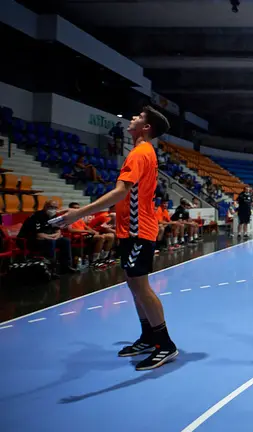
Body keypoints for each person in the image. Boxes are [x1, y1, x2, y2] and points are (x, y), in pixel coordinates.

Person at [50, 106, 178, 371]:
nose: (132, 118)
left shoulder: (140, 153)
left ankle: (165, 344)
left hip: (137, 230)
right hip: (130, 229)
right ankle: (149, 336)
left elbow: (121, 192)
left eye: (139, 117)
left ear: (146, 128)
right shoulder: (141, 152)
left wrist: (79, 213)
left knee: (141, 286)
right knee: (134, 285)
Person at [18, 199, 76, 274]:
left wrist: (55, 236)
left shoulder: (54, 216)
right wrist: (53, 237)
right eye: (51, 207)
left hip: (48, 239)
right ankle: (51, 269)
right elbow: (39, 235)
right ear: (45, 206)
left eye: (55, 207)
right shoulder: (36, 216)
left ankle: (65, 266)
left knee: (65, 241)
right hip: (31, 241)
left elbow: (58, 231)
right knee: (51, 242)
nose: (53, 209)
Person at [66, 202, 116, 268]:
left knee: (110, 237)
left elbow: (86, 227)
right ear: (70, 209)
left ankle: (104, 258)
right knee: (101, 238)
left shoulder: (79, 217)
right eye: (74, 208)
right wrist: (87, 231)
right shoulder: (68, 218)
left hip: (86, 235)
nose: (76, 210)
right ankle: (94, 261)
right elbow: (70, 230)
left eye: (78, 208)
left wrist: (94, 231)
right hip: (78, 237)